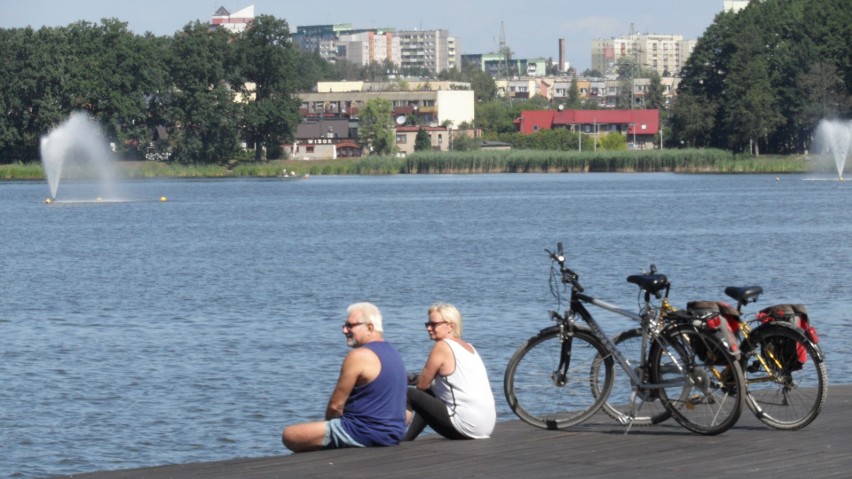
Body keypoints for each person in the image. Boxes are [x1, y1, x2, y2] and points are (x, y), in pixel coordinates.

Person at [282, 302, 407, 452]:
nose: (344, 330)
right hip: (393, 434)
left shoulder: (359, 356)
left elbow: (336, 405)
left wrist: (329, 426)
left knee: (290, 435)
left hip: (362, 432)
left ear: (370, 327)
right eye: (344, 325)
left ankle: (335, 444)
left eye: (350, 325)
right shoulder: (394, 352)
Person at [404, 303, 496, 441]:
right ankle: (406, 438)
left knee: (408, 393)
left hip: (465, 426)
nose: (429, 328)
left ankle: (395, 435)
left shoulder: (442, 346)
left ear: (451, 326)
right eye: (427, 324)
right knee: (428, 395)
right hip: (486, 426)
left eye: (434, 324)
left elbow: (421, 386)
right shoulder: (469, 347)